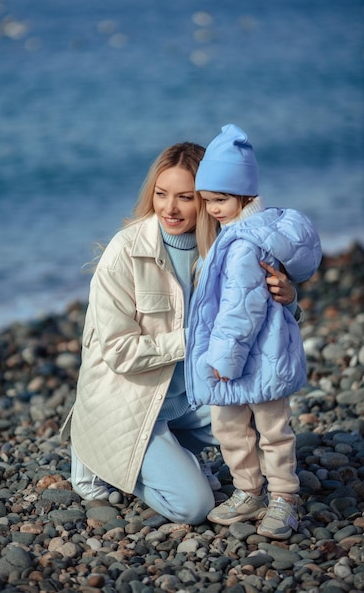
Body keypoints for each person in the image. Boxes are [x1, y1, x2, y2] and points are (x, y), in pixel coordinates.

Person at [61, 139, 300, 525]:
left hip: (190, 397)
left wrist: (288, 301)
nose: (169, 209)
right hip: (132, 403)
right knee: (194, 507)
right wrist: (200, 337)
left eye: (185, 197)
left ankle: (176, 458)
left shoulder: (227, 249)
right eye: (161, 194)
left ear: (207, 200)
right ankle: (99, 459)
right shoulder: (125, 252)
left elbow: (253, 323)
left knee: (263, 426)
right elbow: (120, 352)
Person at [185, 124, 322, 537]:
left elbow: (241, 307)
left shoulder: (244, 243)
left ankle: (282, 499)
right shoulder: (232, 235)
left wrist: (223, 360)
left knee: (272, 431)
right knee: (229, 427)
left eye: (220, 199)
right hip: (241, 354)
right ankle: (249, 492)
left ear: (245, 194)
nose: (212, 209)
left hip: (257, 356)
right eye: (207, 200)